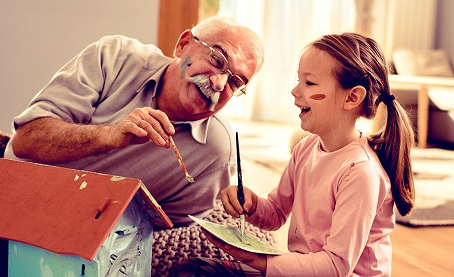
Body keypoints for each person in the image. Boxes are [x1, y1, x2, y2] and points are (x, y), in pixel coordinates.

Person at [176, 33, 415, 276]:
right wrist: (251, 203)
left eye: (309, 83)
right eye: (298, 80)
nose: (294, 90)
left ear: (352, 97)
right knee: (193, 270)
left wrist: (260, 262)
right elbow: (276, 214)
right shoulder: (306, 149)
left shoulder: (361, 173)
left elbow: (335, 267)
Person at [3, 16, 264, 227]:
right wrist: (109, 136)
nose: (219, 83)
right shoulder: (114, 56)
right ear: (183, 44)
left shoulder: (217, 151)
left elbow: (169, 231)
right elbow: (25, 140)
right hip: (12, 198)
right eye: (217, 59)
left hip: (89, 240)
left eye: (235, 81)